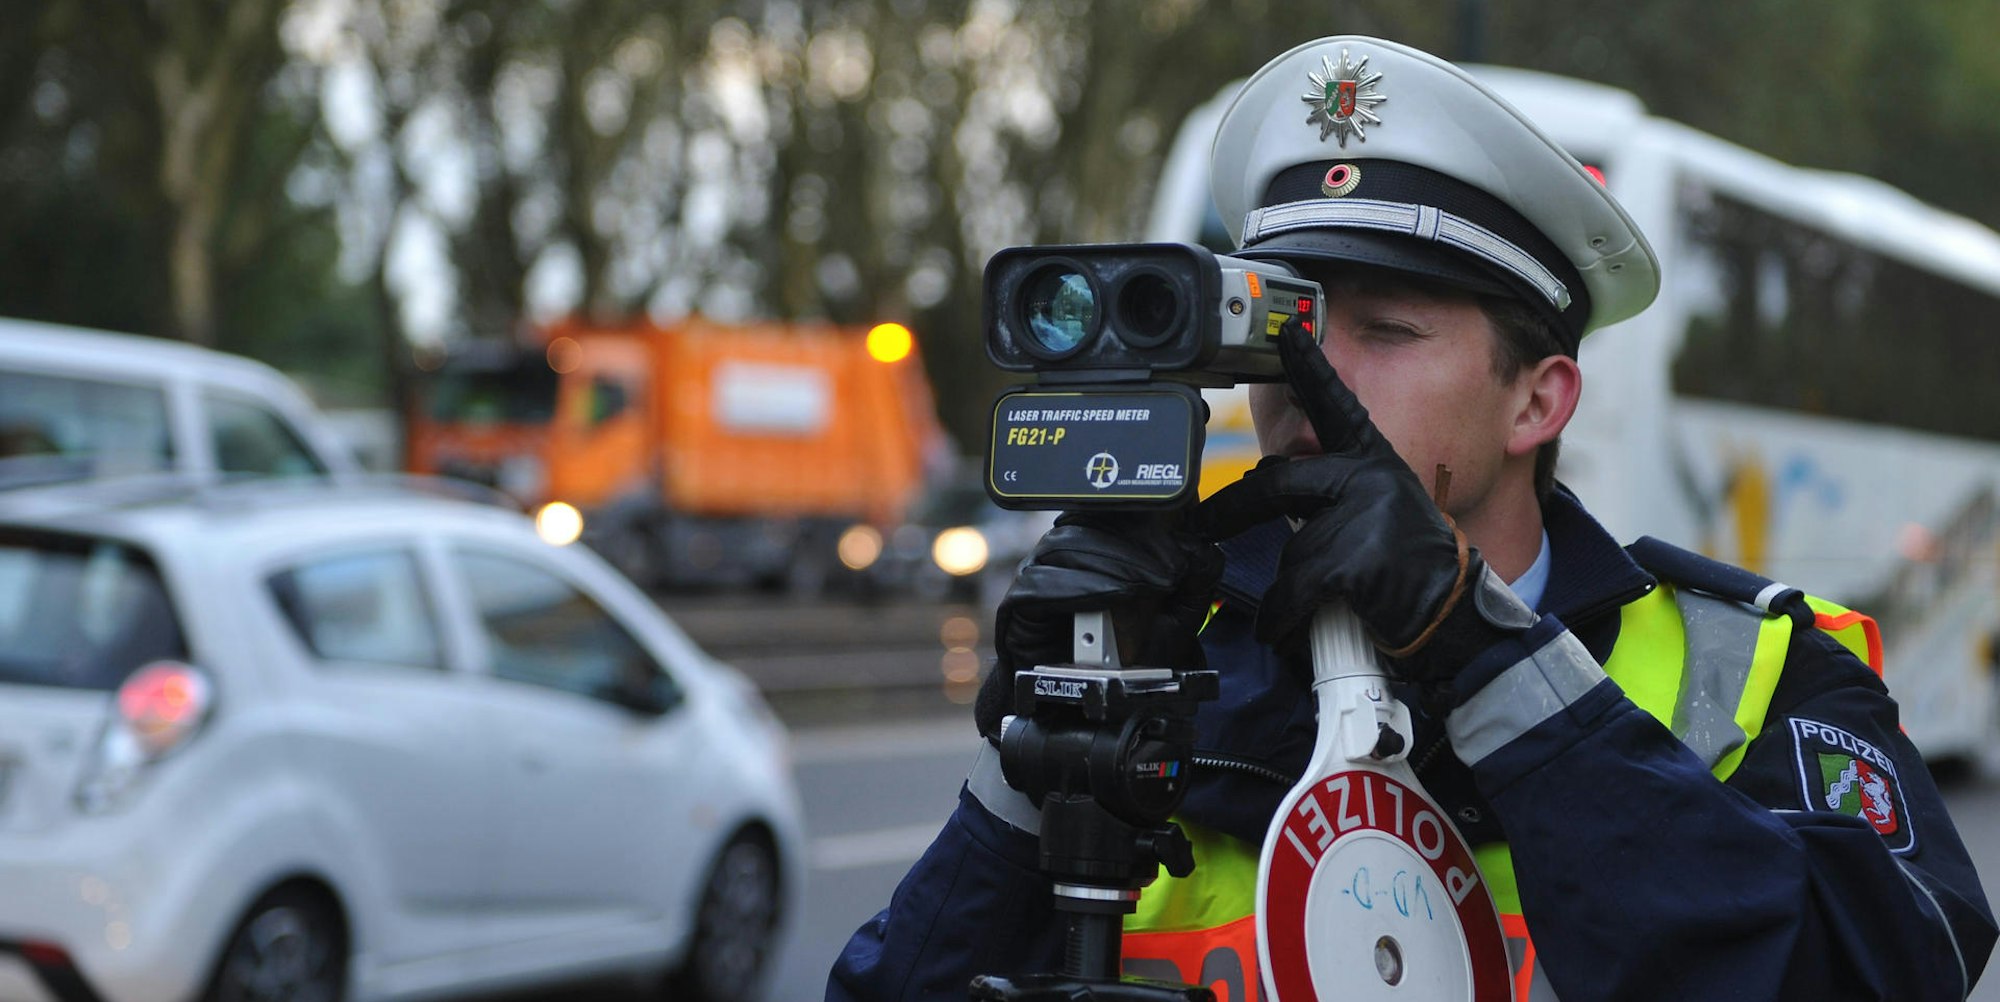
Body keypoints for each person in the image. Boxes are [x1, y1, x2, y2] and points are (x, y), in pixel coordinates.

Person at [828, 35, 1996, 1002]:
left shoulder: (1758, 670)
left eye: (1384, 332)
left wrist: (1481, 653)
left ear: (1537, 400)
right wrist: (1033, 761)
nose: (1311, 381)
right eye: (1284, 328)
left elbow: (1883, 970)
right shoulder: (1164, 664)